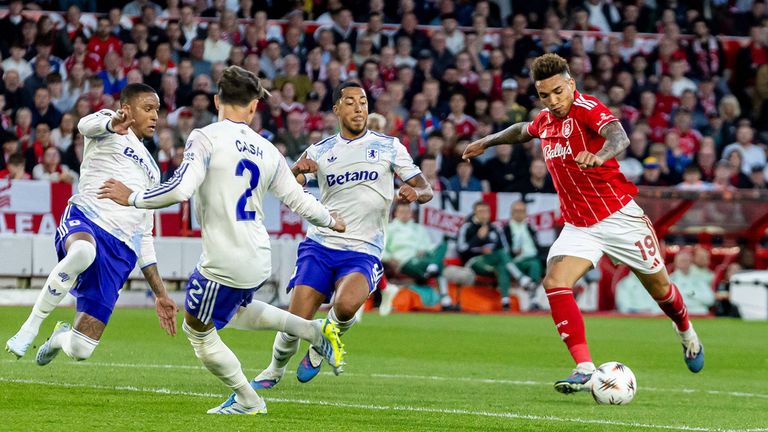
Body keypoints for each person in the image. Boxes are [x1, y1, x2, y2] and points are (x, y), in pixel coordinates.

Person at [98, 66, 347, 415]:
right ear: (253, 107)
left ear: (217, 100)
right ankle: (313, 330)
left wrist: (133, 197)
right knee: (237, 310)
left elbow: (182, 189)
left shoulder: (206, 137)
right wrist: (330, 220)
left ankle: (248, 399)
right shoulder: (268, 149)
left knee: (197, 331)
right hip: (259, 254)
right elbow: (299, 200)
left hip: (226, 257)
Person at [463, 53, 704, 394]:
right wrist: (486, 142)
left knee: (661, 291)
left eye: (558, 91)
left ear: (571, 85)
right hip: (580, 227)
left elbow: (619, 137)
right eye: (545, 95)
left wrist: (600, 155)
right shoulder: (545, 121)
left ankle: (686, 332)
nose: (553, 100)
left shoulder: (587, 108)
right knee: (555, 281)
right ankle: (585, 367)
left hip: (620, 218)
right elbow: (521, 130)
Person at [251, 82, 433, 389]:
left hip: (364, 248)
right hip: (321, 245)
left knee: (347, 305)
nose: (358, 108)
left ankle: (320, 345)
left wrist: (416, 191)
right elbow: (286, 184)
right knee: (294, 323)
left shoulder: (390, 146)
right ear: (336, 109)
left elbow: (426, 188)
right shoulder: (321, 151)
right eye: (350, 102)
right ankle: (273, 370)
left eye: (362, 102)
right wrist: (297, 168)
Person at [6, 84, 178, 368]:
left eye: (157, 110)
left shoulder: (152, 168)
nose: (155, 116)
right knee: (83, 252)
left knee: (81, 348)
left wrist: (161, 294)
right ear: (127, 109)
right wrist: (113, 122)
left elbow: (144, 234)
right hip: (87, 218)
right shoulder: (108, 125)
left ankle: (59, 338)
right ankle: (30, 328)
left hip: (120, 252)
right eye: (148, 109)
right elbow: (85, 125)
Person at [382, 202, 453, 310]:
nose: (405, 214)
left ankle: (433, 265)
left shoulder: (419, 228)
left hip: (422, 258)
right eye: (402, 212)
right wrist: (389, 258)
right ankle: (445, 297)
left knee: (443, 245)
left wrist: (425, 251)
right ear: (395, 213)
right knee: (439, 265)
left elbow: (429, 247)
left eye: (407, 212)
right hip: (404, 261)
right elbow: (381, 249)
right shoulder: (389, 229)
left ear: (412, 213)